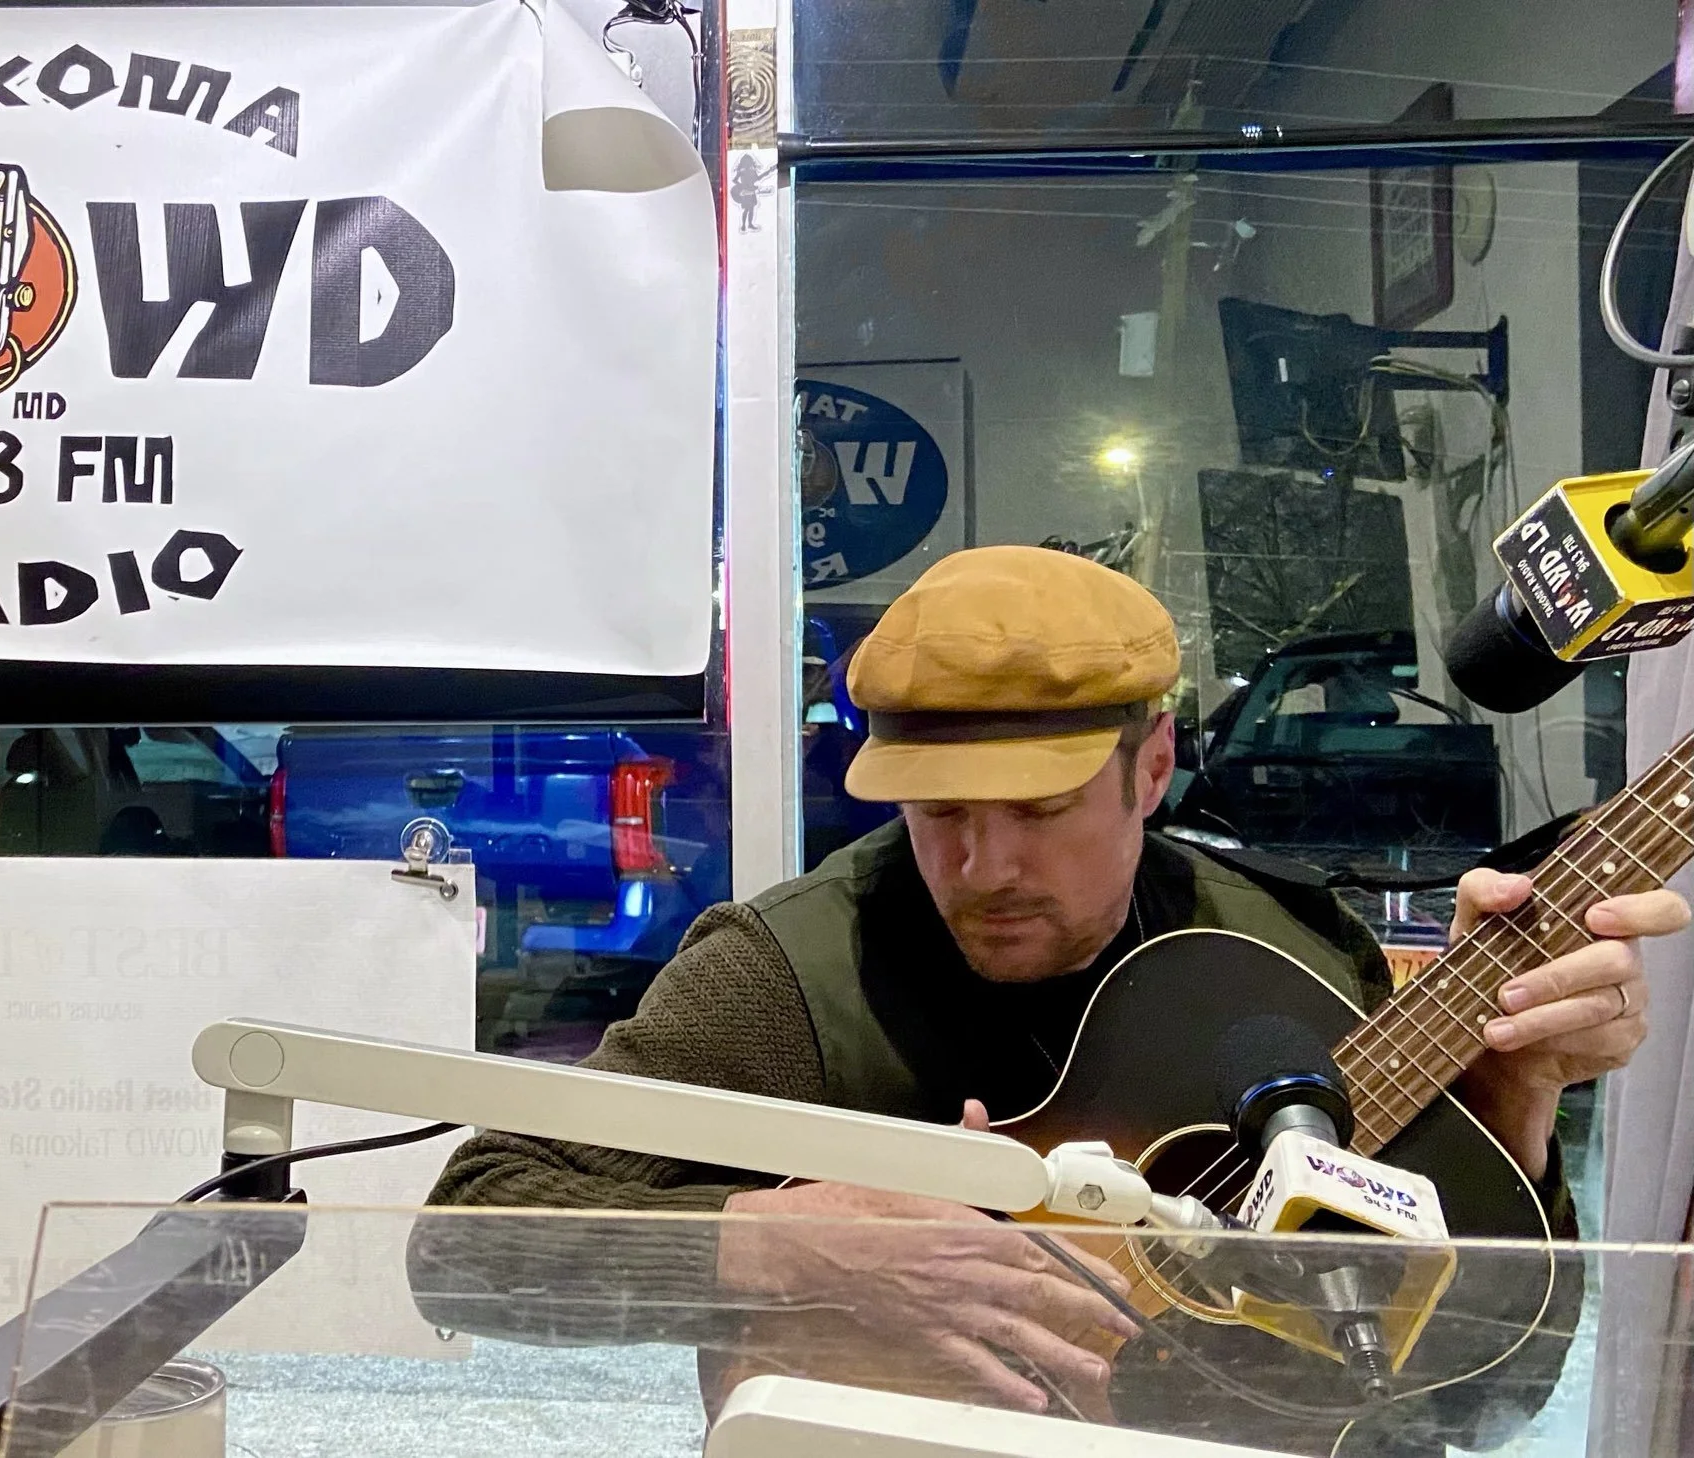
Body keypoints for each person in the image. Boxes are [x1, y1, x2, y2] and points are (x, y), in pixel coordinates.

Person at [416, 546, 1686, 1447]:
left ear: (1151, 765)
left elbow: (1478, 1395)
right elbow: (464, 1239)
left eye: (1035, 810)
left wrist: (1509, 1098)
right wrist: (786, 1243)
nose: (983, 869)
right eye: (938, 815)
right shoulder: (790, 974)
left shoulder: (1285, 949)